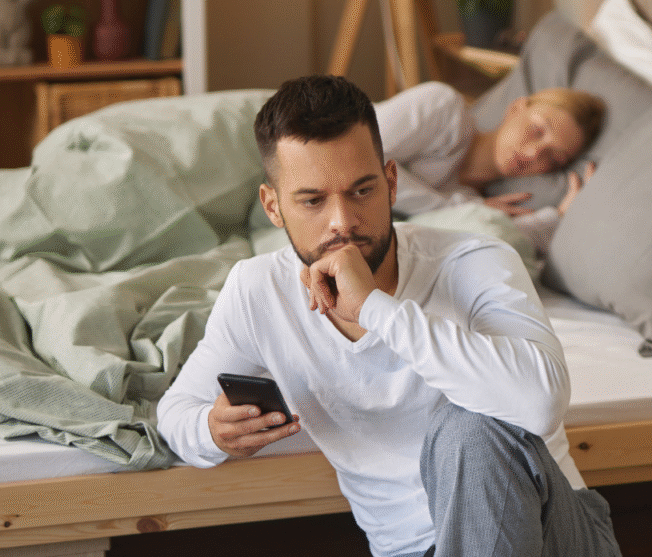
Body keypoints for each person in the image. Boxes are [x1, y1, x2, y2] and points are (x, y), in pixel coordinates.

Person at [156, 75, 621, 557]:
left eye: (361, 191)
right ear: (273, 207)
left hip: (551, 537)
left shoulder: (476, 261)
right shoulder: (257, 292)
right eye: (313, 200)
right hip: (410, 549)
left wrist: (376, 310)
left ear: (391, 182)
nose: (342, 222)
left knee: (470, 429)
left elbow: (540, 403)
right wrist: (213, 433)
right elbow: (175, 412)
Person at [378, 81, 604, 254]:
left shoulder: (472, 201)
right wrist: (454, 207)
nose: (533, 153)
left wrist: (560, 215)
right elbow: (366, 160)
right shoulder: (444, 109)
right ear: (516, 108)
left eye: (554, 158)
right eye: (537, 130)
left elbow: (500, 240)